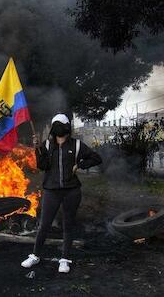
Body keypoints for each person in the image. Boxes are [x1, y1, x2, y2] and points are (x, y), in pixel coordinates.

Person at [21, 113, 102, 273]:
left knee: (68, 225)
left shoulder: (77, 145)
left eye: (61, 124)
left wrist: (80, 164)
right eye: (55, 124)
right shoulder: (47, 145)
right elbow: (42, 166)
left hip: (71, 191)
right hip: (51, 191)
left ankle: (64, 260)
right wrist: (37, 149)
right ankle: (35, 255)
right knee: (44, 224)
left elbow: (96, 158)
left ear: (67, 127)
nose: (58, 127)